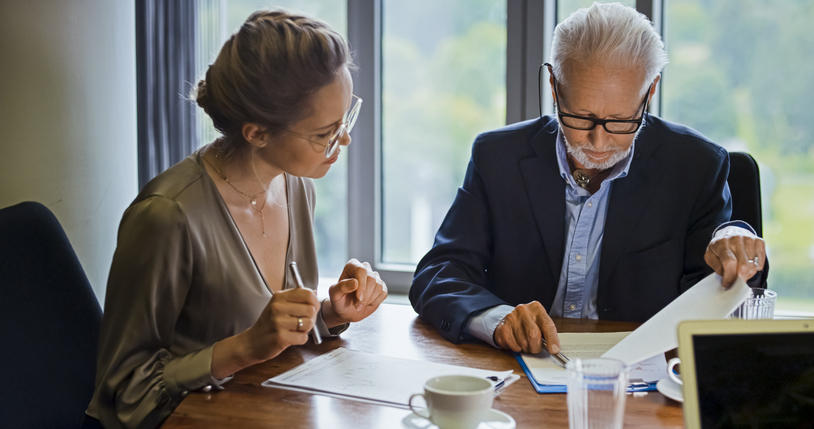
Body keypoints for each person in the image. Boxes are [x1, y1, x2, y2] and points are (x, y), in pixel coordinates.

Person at [84, 11, 387, 429]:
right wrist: (243, 348)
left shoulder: (296, 186)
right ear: (257, 133)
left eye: (345, 120)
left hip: (258, 408)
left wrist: (328, 314)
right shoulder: (167, 216)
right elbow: (124, 392)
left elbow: (263, 330)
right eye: (325, 133)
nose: (345, 140)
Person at [409, 2, 767, 356]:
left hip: (639, 380)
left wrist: (738, 249)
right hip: (518, 373)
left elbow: (714, 299)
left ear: (650, 91)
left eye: (621, 121)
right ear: (553, 85)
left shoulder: (696, 166)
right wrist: (497, 320)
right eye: (580, 118)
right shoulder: (497, 157)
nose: (598, 142)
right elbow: (438, 274)